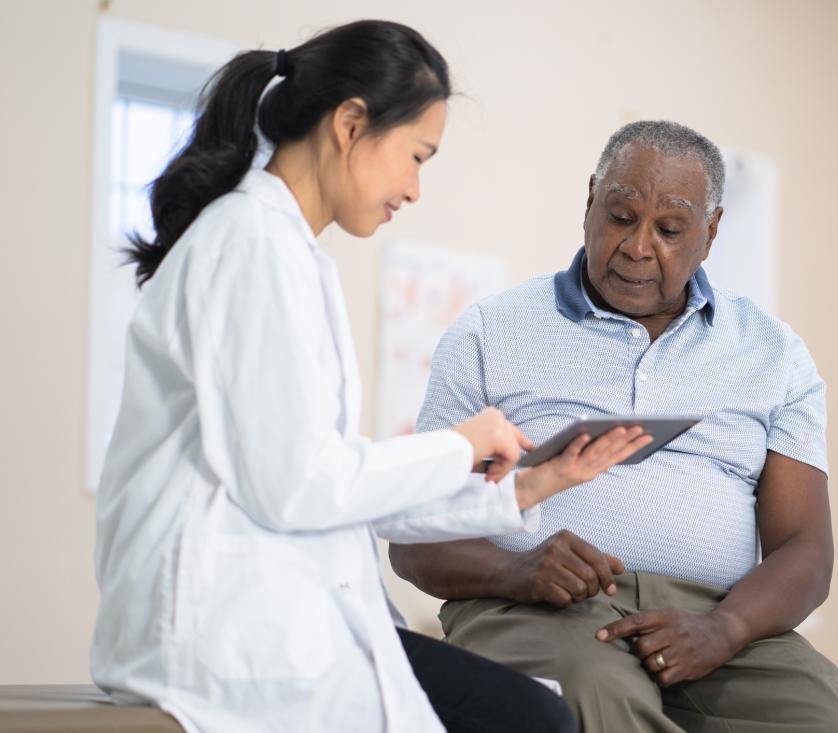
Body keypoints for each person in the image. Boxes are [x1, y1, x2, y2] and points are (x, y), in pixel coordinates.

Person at [90, 20, 652, 733]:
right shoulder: (251, 246)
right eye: (416, 155)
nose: (415, 189)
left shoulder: (285, 251)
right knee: (532, 718)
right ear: (351, 124)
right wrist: (459, 443)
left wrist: (531, 483)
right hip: (222, 628)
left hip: (274, 616)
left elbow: (332, 482)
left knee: (530, 713)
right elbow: (300, 483)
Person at [390, 120, 838, 732]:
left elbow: (805, 548)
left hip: (717, 620)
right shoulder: (491, 332)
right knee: (594, 691)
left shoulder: (774, 354)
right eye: (621, 216)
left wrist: (724, 628)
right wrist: (519, 571)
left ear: (711, 231)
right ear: (590, 201)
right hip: (529, 609)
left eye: (670, 229)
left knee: (830, 718)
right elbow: (414, 540)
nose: (639, 246)